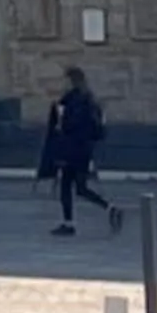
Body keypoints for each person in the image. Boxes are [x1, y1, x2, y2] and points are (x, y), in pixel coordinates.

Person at [47, 65, 121, 236]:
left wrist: (59, 120)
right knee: (80, 187)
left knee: (67, 185)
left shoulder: (73, 100)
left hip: (73, 148)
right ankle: (109, 208)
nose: (62, 84)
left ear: (71, 81)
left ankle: (69, 223)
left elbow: (69, 125)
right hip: (84, 149)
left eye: (64, 80)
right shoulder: (89, 98)